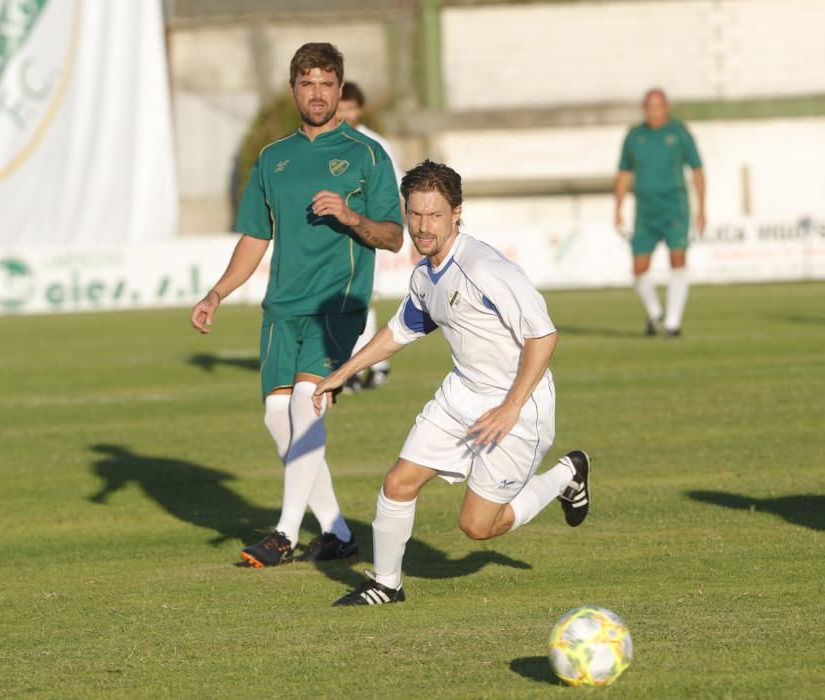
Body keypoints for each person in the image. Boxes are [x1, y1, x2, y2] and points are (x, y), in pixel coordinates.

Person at [312, 160, 592, 607]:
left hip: (519, 406)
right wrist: (341, 374)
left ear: (457, 212)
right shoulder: (425, 275)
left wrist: (511, 406)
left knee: (478, 527)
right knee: (398, 483)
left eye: (435, 215)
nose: (423, 227)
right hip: (462, 393)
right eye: (415, 214)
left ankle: (567, 473)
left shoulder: (486, 268)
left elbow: (544, 336)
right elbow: (400, 330)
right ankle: (387, 584)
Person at [189, 43, 403, 567]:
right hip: (281, 305)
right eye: (307, 83)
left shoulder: (366, 154)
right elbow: (255, 238)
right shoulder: (272, 159)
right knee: (274, 416)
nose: (317, 93)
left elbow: (395, 237)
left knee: (306, 404)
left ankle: (284, 532)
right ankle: (336, 532)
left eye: (327, 83)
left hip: (338, 303)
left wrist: (352, 218)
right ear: (293, 90)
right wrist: (217, 292)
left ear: (340, 89)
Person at [614, 88, 706, 337]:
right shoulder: (634, 136)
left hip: (675, 207)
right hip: (645, 210)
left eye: (658, 107)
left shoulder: (679, 133)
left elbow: (697, 170)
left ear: (667, 107)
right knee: (639, 267)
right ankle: (655, 312)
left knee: (678, 259)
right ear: (644, 109)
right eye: (649, 107)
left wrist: (701, 209)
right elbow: (623, 173)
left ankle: (673, 323)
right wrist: (618, 208)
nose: (654, 112)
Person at [336, 81, 405, 391]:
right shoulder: (329, 141)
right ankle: (363, 366)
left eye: (350, 107)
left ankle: (370, 365)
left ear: (358, 109)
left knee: (363, 299)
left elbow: (397, 188)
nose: (345, 113)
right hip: (337, 233)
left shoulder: (375, 144)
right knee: (344, 301)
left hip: (370, 230)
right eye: (341, 106)